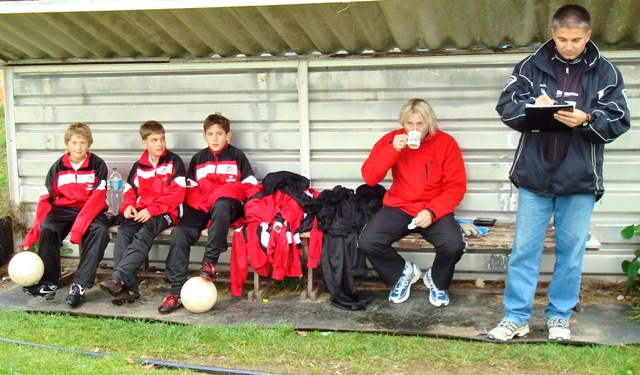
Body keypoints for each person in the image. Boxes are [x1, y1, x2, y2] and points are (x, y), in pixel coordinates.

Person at [488, 4, 630, 342]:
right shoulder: (530, 65)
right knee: (524, 250)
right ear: (552, 34)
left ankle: (559, 318)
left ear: (588, 36)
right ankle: (516, 317)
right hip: (535, 177)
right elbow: (506, 105)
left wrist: (588, 119)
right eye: (562, 38)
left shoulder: (606, 72)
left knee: (571, 254)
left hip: (579, 180)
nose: (568, 45)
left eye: (576, 39)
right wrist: (531, 108)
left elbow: (620, 119)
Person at [359, 98, 467, 306]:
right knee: (368, 241)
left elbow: (456, 186)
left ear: (430, 123)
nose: (415, 129)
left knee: (453, 245)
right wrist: (392, 150)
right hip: (399, 205)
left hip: (432, 207)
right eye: (410, 124)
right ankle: (402, 273)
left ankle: (436, 280)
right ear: (403, 124)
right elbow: (369, 177)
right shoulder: (392, 140)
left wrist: (433, 211)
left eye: (420, 124)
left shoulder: (446, 143)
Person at [158, 113, 257, 314]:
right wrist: (204, 203)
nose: (215, 138)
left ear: (228, 135)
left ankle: (209, 263)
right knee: (180, 232)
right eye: (210, 134)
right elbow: (191, 188)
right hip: (203, 206)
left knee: (220, 205)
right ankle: (176, 291)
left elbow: (249, 186)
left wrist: (217, 197)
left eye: (219, 134)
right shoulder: (198, 158)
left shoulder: (237, 156)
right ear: (204, 136)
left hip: (228, 208)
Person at [21, 123, 110, 308]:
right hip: (64, 209)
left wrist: (77, 230)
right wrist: (34, 232)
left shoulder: (98, 164)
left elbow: (97, 199)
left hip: (90, 208)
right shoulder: (58, 167)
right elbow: (45, 200)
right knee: (48, 228)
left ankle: (79, 284)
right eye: (75, 142)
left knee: (100, 231)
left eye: (83, 142)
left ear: (89, 144)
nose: (79, 147)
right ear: (67, 145)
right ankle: (49, 283)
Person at [99, 121, 186, 305]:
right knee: (124, 232)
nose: (160, 144)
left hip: (166, 213)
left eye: (162, 139)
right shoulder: (139, 165)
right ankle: (128, 290)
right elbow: (130, 191)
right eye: (154, 140)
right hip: (142, 211)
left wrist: (152, 210)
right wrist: (127, 206)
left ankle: (118, 279)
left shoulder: (173, 162)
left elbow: (176, 194)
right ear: (144, 143)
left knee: (146, 231)